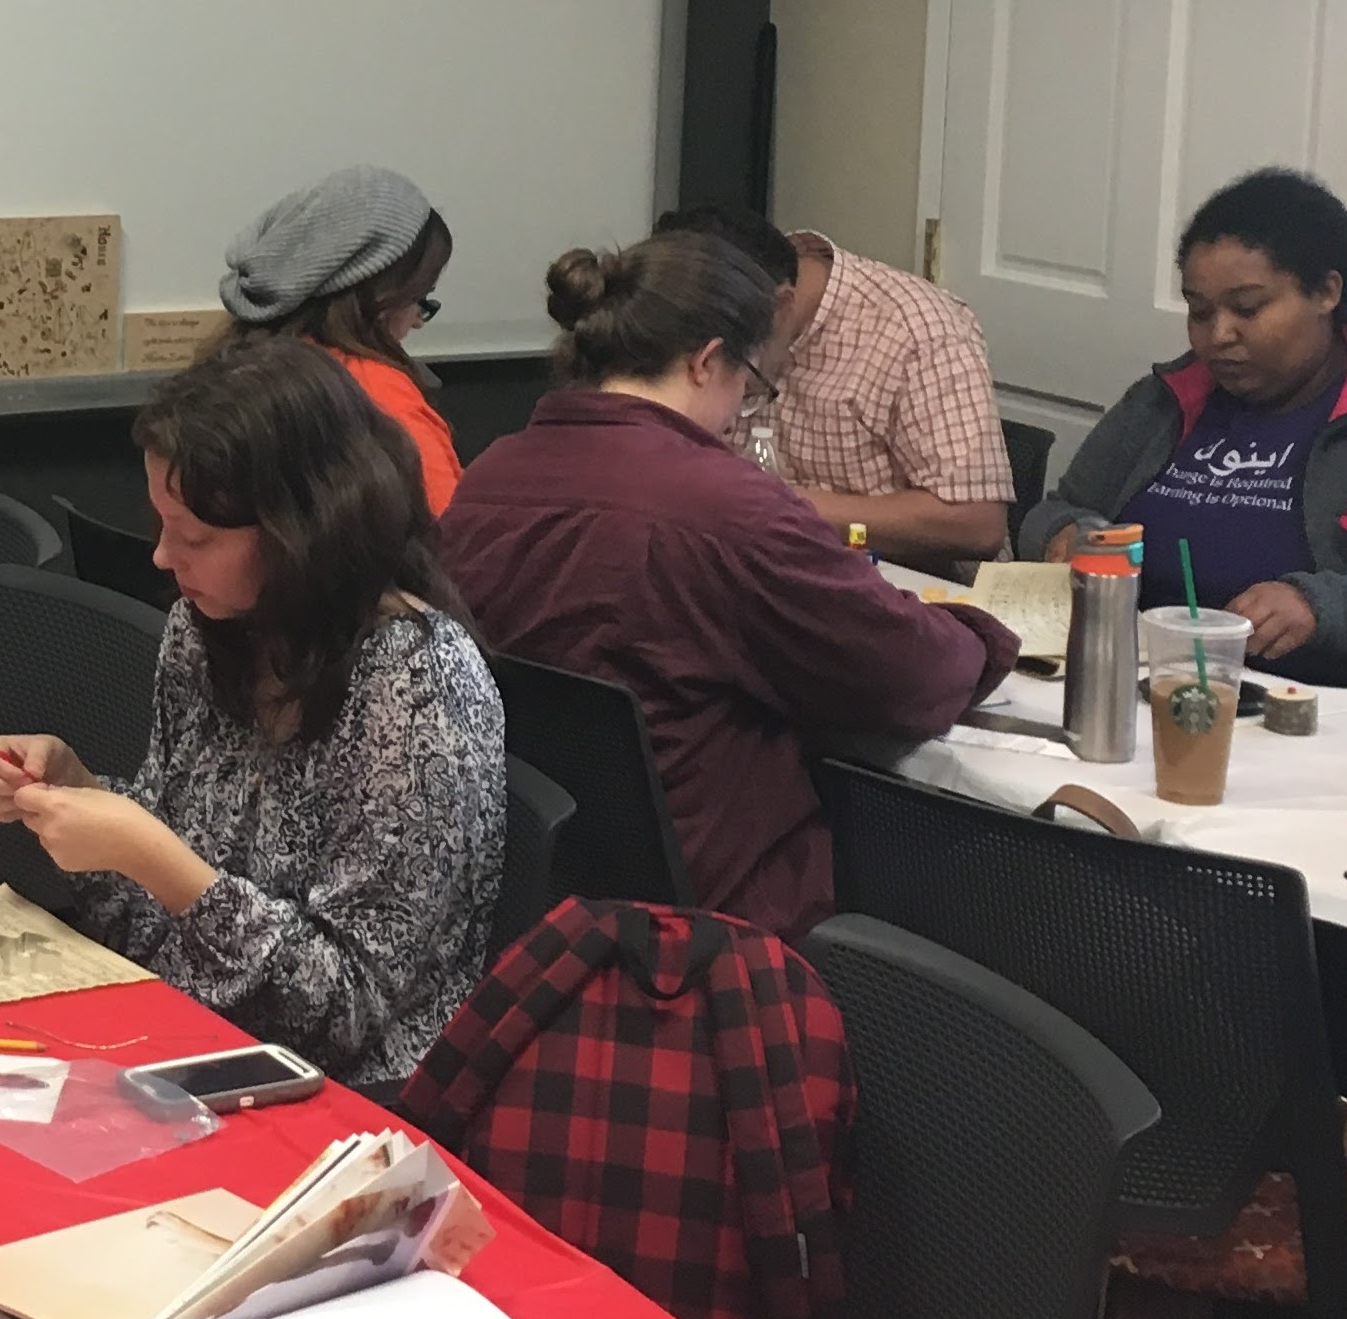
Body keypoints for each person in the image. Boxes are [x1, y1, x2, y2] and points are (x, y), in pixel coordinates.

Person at [436, 234, 1017, 940]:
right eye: (748, 383)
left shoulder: (490, 476)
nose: (743, 409)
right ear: (707, 360)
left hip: (540, 898)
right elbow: (914, 676)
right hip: (726, 925)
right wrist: (982, 633)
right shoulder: (725, 509)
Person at [0, 338, 504, 1089]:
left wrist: (150, 854)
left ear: (302, 531)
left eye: (192, 536)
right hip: (187, 1042)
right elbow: (165, 884)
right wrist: (80, 792)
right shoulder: (210, 630)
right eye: (161, 523)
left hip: (349, 1098)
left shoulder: (419, 689)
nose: (162, 557)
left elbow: (343, 1012)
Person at [1020, 168, 1347, 731]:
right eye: (1200, 311)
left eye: (1247, 309)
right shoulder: (1162, 404)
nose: (1218, 335)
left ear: (1326, 293)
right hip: (1143, 703)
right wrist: (1066, 535)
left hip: (1340, 731)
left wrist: (1322, 609)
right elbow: (1053, 510)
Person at [652, 203, 1011, 562]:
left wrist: (772, 503)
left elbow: (977, 524)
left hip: (918, 588)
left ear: (782, 305)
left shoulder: (919, 333)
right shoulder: (708, 300)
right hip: (761, 565)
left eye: (737, 362)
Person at [218, 165, 463, 514]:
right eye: (419, 298)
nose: (418, 323)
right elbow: (455, 542)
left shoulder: (234, 372)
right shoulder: (380, 402)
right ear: (378, 299)